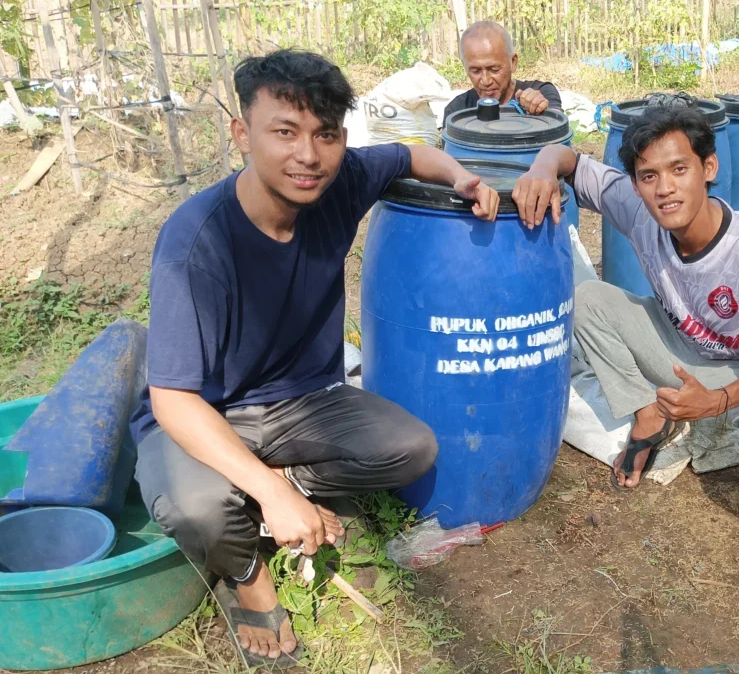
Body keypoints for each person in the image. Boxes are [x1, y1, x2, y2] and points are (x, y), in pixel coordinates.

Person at [128, 50, 499, 668]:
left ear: (342, 138)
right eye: (284, 132)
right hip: (204, 414)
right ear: (241, 133)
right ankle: (249, 579)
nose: (307, 154)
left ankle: (264, 491)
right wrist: (271, 490)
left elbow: (409, 155)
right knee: (194, 504)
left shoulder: (342, 179)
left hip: (301, 405)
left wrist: (461, 178)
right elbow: (173, 398)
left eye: (325, 134)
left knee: (412, 448)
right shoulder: (198, 242)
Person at [513, 106, 739, 494]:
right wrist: (542, 169)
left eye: (680, 169)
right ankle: (648, 414)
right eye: (649, 176)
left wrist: (715, 402)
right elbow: (570, 162)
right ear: (635, 184)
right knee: (588, 297)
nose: (664, 189)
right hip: (677, 352)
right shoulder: (639, 212)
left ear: (708, 168)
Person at [443, 21, 562, 117]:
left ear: (513, 62)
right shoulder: (456, 111)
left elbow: (559, 133)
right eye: (475, 71)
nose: (486, 81)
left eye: (494, 69)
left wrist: (541, 110)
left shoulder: (542, 93)